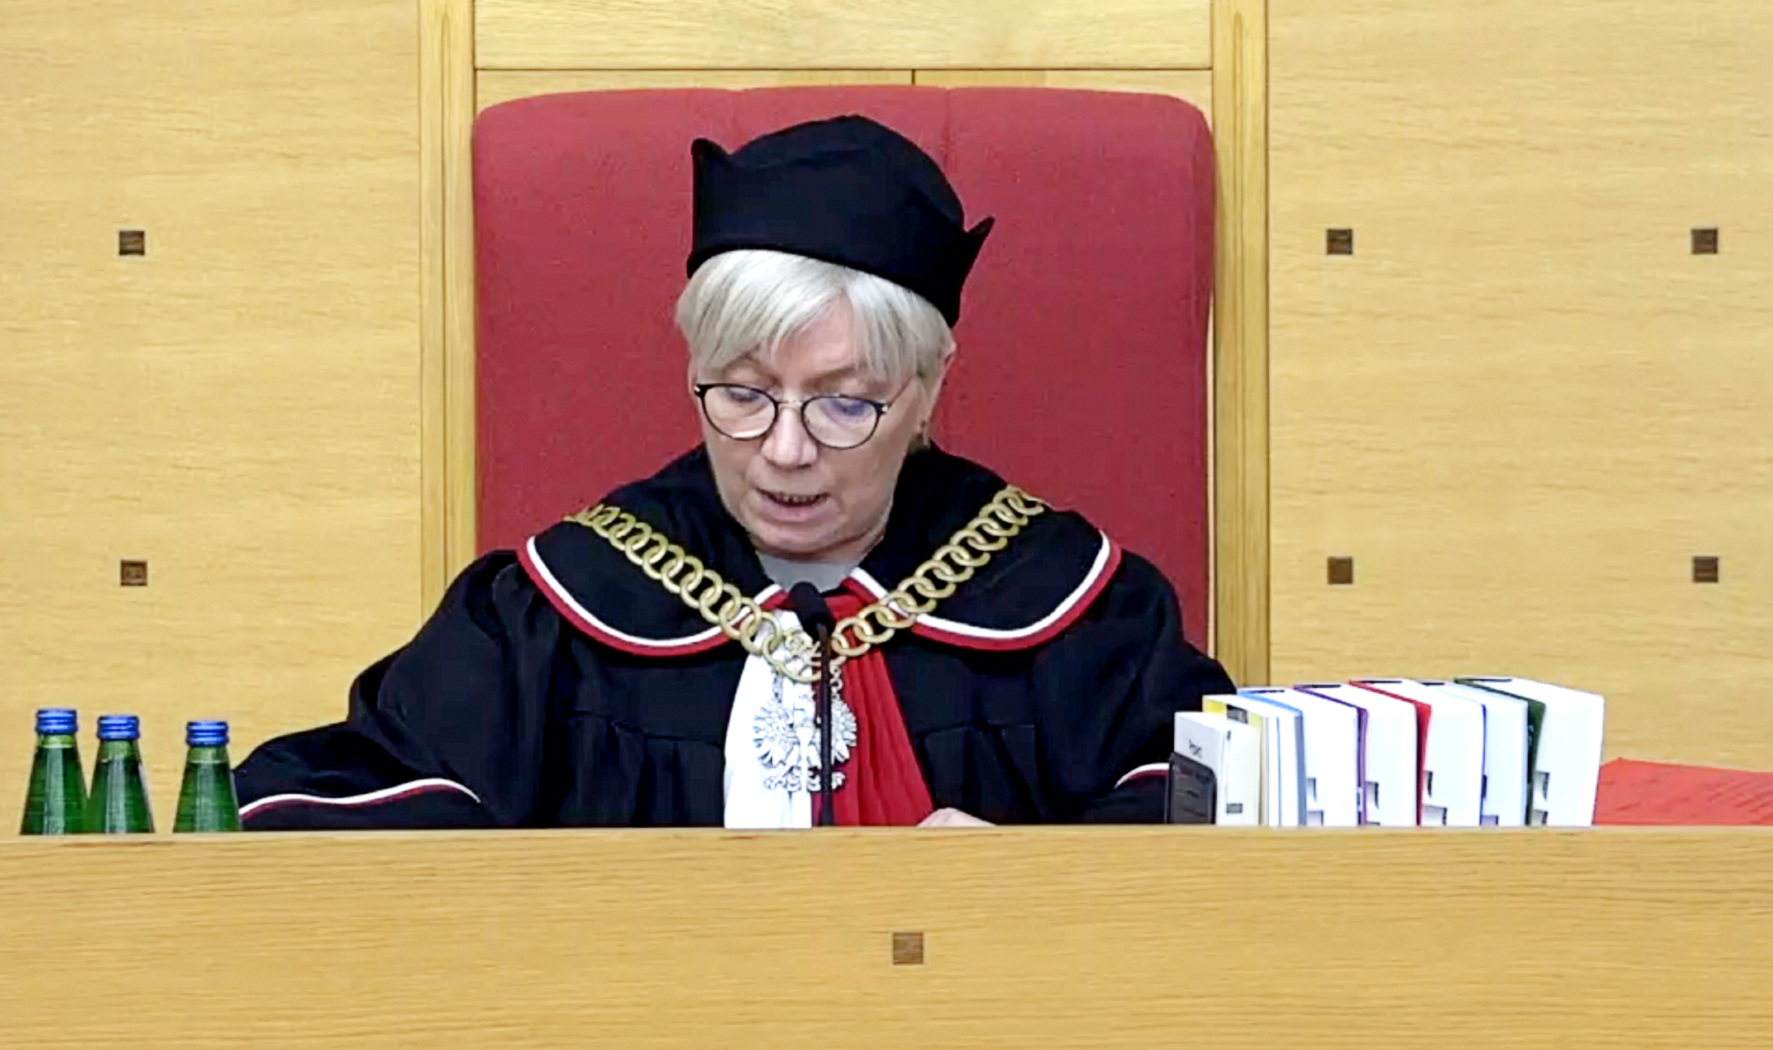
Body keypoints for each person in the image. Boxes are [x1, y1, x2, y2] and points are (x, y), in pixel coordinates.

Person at [234, 114, 1235, 830]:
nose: (785, 451)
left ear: (930, 387)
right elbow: (334, 813)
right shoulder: (553, 617)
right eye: (744, 394)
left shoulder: (1072, 606)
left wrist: (1034, 883)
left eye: (845, 403)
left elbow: (1207, 811)